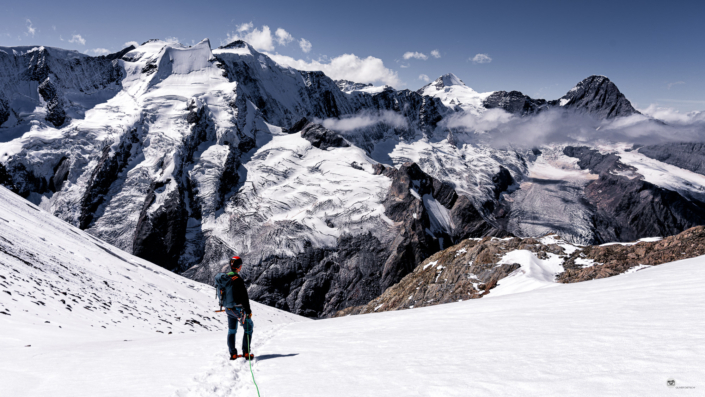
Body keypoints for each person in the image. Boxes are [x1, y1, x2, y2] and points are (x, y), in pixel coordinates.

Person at [215, 256, 254, 360]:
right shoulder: (237, 279)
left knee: (232, 330)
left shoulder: (226, 277)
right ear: (239, 267)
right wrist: (248, 311)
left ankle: (233, 354)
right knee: (249, 327)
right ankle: (246, 352)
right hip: (237, 309)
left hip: (228, 309)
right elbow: (244, 297)